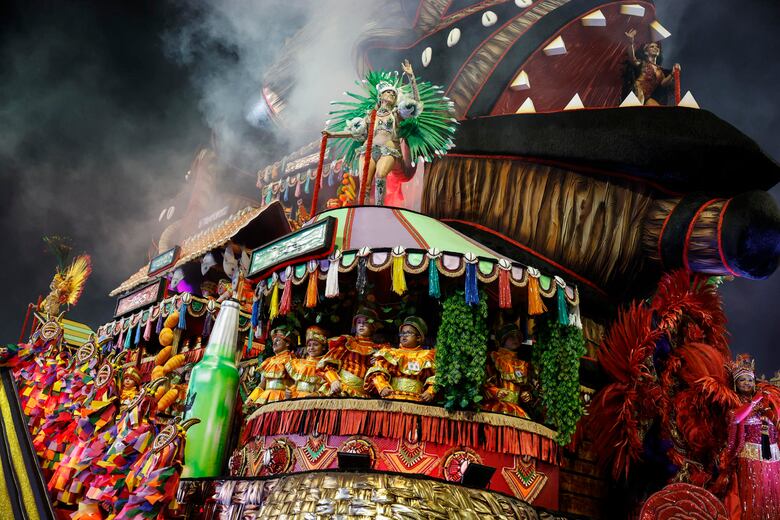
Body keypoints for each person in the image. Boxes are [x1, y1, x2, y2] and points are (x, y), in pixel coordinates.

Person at [721, 354, 780, 519]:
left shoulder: (764, 403)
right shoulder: (734, 403)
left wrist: (771, 402)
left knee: (772, 493)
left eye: (750, 380)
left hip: (772, 455)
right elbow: (736, 418)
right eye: (742, 380)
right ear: (735, 383)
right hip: (750, 456)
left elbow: (777, 419)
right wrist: (753, 402)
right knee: (754, 493)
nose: (747, 383)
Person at [365, 316, 436, 402]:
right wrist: (382, 387)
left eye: (408, 333)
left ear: (418, 338)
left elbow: (436, 376)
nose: (404, 336)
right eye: (402, 333)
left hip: (417, 400)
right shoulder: (391, 353)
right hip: (392, 398)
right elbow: (377, 371)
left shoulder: (427, 356)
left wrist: (430, 391)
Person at [322, 307, 387, 397]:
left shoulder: (378, 350)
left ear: (373, 326)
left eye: (365, 322)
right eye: (359, 322)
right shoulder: (348, 343)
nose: (361, 325)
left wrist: (376, 365)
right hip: (341, 388)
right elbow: (328, 365)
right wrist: (333, 380)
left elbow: (377, 374)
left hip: (362, 395)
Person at [482, 324, 533, 418]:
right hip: (497, 406)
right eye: (512, 336)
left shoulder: (523, 365)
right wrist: (496, 392)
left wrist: (526, 395)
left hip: (516, 409)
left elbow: (526, 387)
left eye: (518, 337)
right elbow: (484, 381)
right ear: (503, 339)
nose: (516, 339)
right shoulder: (494, 358)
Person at [625, 29, 680, 105]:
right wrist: (630, 42)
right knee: (640, 100)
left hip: (648, 97)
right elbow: (632, 59)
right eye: (652, 46)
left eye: (657, 47)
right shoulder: (643, 63)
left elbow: (663, 83)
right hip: (637, 91)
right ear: (646, 52)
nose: (655, 48)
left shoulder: (660, 71)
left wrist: (672, 74)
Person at [245, 326, 296, 407]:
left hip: (283, 398)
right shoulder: (269, 361)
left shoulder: (292, 360)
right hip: (267, 397)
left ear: (287, 343)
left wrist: (291, 394)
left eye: (278, 340)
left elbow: (296, 381)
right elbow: (263, 383)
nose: (274, 344)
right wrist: (252, 398)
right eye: (273, 342)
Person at [285, 326, 330, 398]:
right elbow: (297, 384)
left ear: (323, 347)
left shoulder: (325, 364)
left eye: (315, 345)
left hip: (314, 401)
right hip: (298, 398)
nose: (311, 348)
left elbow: (329, 385)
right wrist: (290, 392)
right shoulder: (300, 363)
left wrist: (318, 394)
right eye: (309, 345)